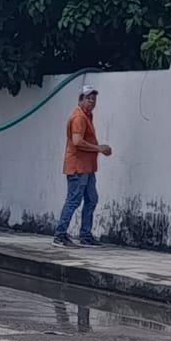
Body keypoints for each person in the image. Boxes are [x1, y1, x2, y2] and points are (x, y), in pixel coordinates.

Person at [53, 84, 111, 247]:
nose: (91, 102)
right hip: (78, 167)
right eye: (88, 98)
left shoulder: (86, 116)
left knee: (91, 199)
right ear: (80, 100)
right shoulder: (79, 117)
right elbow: (77, 141)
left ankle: (85, 235)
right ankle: (60, 235)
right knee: (73, 200)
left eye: (93, 99)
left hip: (87, 167)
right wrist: (99, 148)